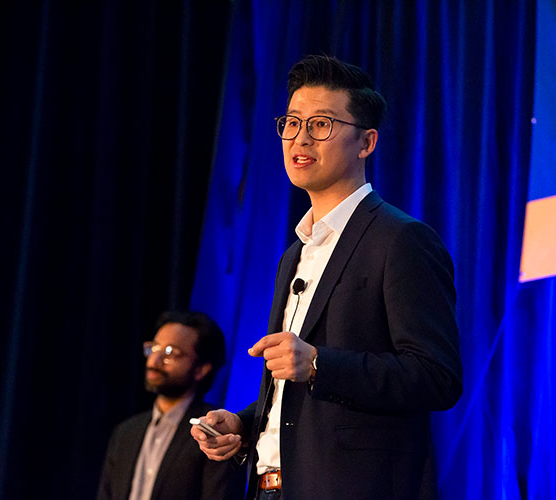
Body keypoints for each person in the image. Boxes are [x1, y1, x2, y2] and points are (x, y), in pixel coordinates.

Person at [191, 54, 463, 500]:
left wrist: (319, 363)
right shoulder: (293, 254)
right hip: (270, 488)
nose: (300, 138)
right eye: (292, 122)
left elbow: (436, 376)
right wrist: (244, 422)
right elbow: (301, 399)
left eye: (321, 124)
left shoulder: (401, 240)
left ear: (366, 142)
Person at [98, 311, 244, 500]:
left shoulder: (213, 431)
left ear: (201, 369)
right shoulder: (125, 433)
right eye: (154, 348)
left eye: (170, 353)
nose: (154, 361)